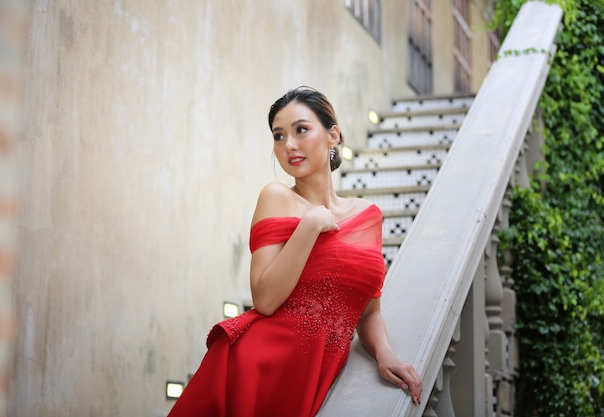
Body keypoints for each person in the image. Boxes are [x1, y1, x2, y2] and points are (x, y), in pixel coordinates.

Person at [168, 86, 422, 417]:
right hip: (256, 368)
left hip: (314, 377)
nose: (288, 144)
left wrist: (384, 352)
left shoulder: (368, 216)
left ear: (333, 135)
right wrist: (308, 227)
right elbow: (265, 298)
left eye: (300, 129)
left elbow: (368, 310)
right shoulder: (276, 197)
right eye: (278, 135)